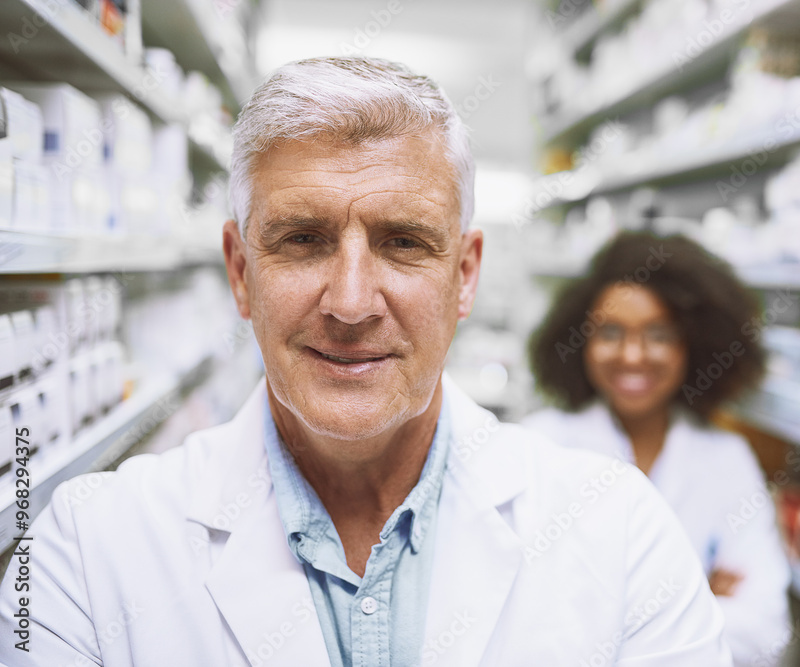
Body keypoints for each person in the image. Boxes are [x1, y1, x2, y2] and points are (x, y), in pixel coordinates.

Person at [0, 58, 732, 666]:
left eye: (404, 242)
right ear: (239, 270)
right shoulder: (84, 551)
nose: (350, 304)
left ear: (465, 275)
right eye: (302, 239)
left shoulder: (622, 531)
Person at [523, 231, 792, 666]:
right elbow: (520, 620)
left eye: (658, 334)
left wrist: (600, 616)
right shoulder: (541, 444)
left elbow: (764, 630)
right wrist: (698, 599)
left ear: (693, 346)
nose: (633, 356)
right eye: (611, 332)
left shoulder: (726, 459)